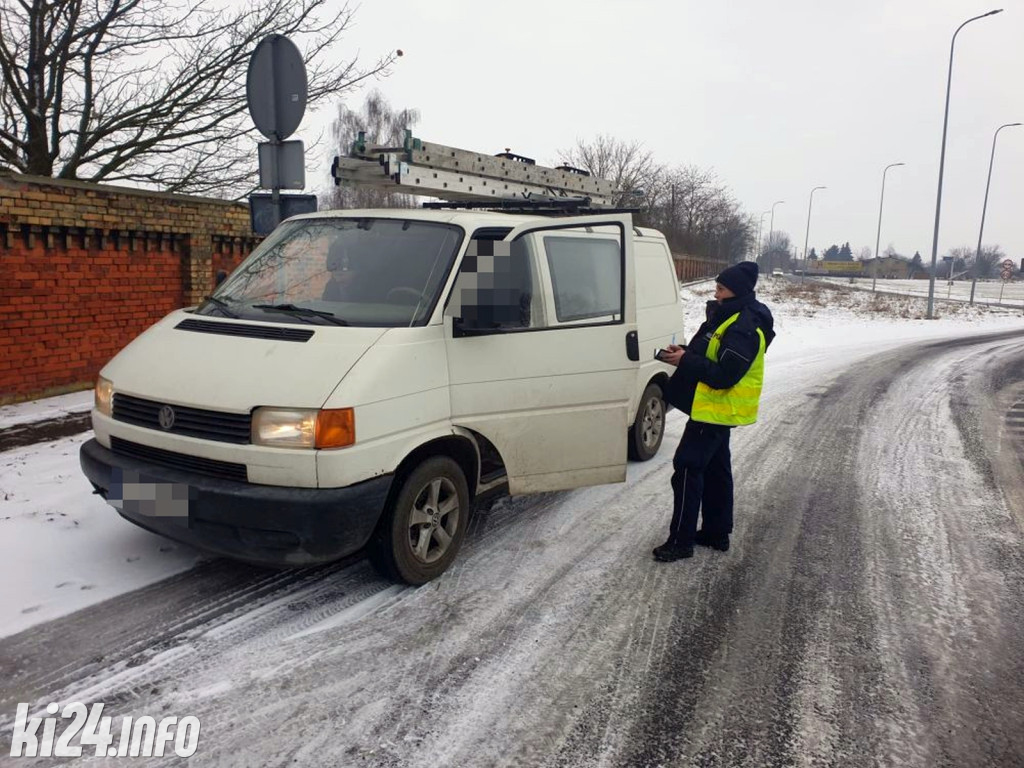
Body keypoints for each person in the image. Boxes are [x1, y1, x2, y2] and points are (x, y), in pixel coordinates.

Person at [652, 261, 775, 562]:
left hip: (716, 409)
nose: (715, 293)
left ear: (736, 292)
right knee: (717, 470)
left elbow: (724, 376)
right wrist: (683, 353)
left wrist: (686, 362)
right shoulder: (728, 317)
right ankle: (716, 533)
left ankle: (681, 542)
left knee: (686, 469)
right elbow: (712, 354)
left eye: (720, 288)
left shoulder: (744, 327)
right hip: (713, 408)